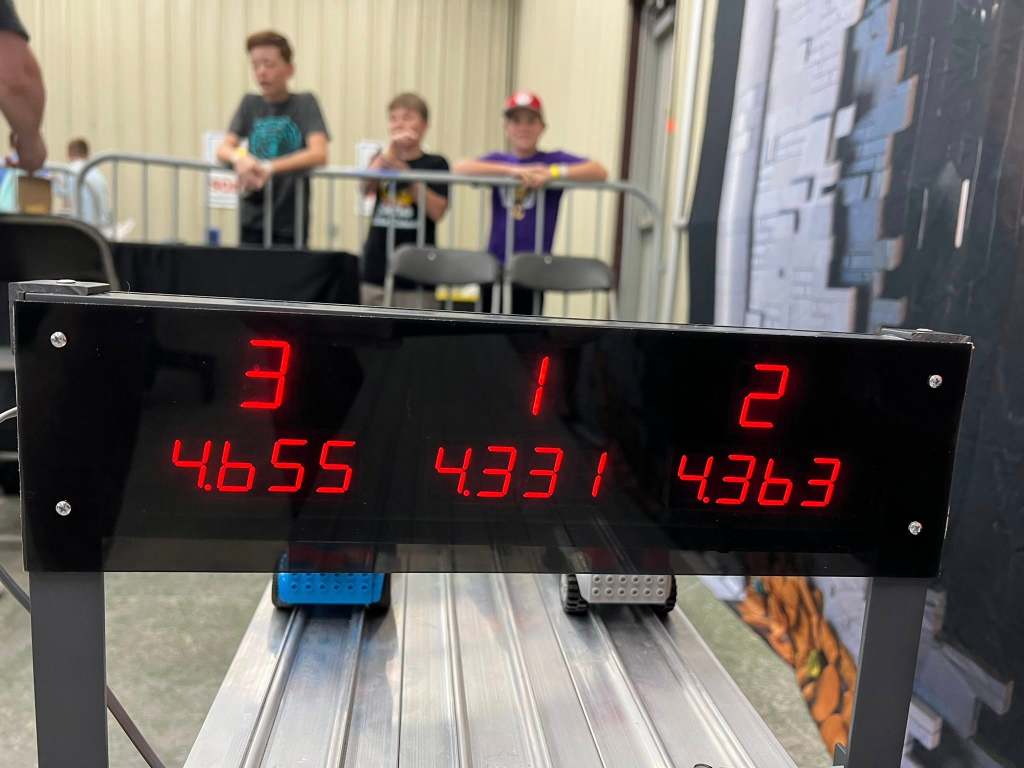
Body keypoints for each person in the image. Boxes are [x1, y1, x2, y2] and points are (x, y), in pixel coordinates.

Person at [454, 91, 607, 313]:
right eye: (516, 121)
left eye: (531, 121)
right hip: (496, 264)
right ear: (506, 128)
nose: (523, 128)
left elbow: (599, 171)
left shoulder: (552, 160)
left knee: (528, 336)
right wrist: (513, 171)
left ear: (542, 127)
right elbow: (461, 168)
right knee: (488, 331)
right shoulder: (500, 160)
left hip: (534, 268)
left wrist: (553, 173)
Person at [216, 30, 329, 247]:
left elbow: (319, 153)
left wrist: (269, 167)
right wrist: (241, 158)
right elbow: (224, 148)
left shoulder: (305, 103)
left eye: (269, 64)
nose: (261, 72)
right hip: (252, 216)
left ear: (289, 69)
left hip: (290, 220)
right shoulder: (249, 103)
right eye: (256, 65)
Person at [360, 92, 449, 306]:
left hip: (418, 274)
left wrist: (407, 175)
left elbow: (437, 211)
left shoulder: (436, 163)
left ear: (424, 125)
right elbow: (364, 187)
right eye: (393, 118)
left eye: (408, 117)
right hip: (375, 269)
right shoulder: (380, 159)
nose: (399, 124)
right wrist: (389, 154)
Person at [58, 137, 111, 229]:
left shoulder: (67, 171)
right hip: (100, 228)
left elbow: (61, 194)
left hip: (80, 229)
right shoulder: (98, 174)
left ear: (69, 153)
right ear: (87, 154)